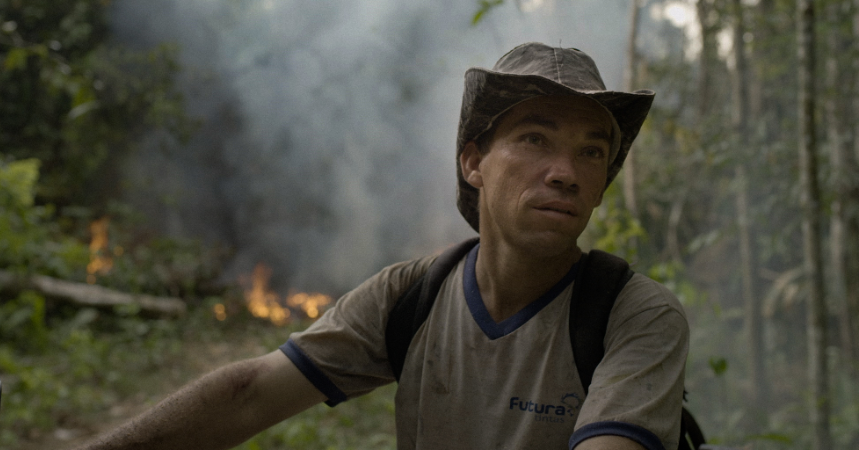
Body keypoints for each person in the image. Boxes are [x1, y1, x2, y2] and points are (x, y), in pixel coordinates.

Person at [74, 42, 688, 450]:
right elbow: (248, 395)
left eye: (590, 151)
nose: (566, 171)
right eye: (534, 139)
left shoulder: (633, 317)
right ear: (473, 162)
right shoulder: (411, 295)